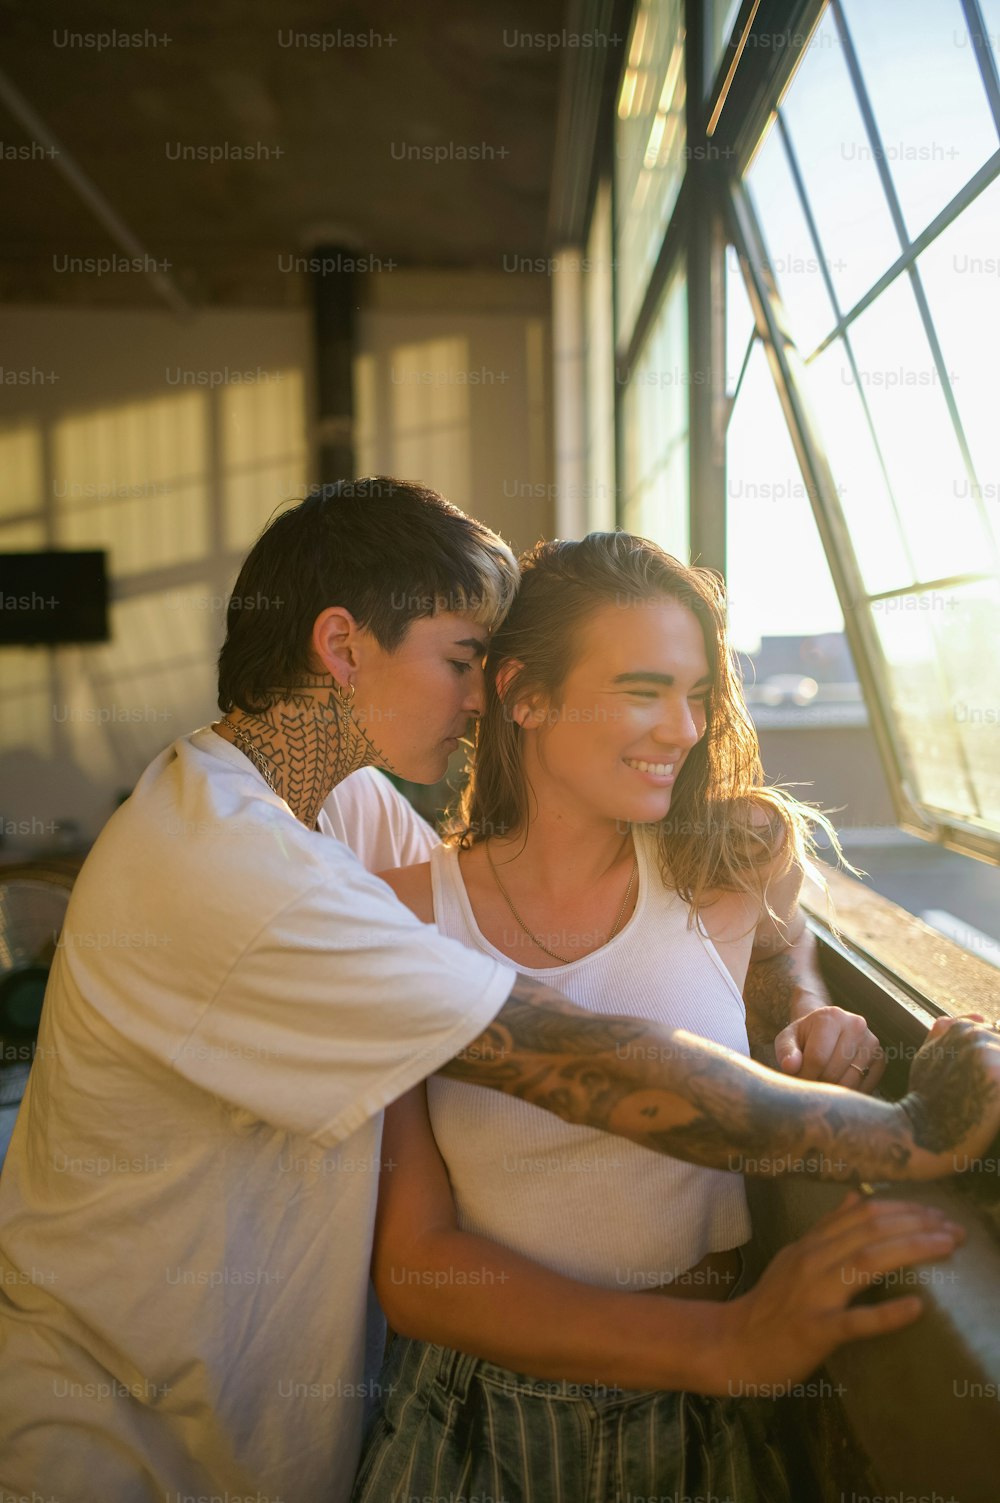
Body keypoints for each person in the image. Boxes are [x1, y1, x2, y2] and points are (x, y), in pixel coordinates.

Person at [0, 482, 995, 1503]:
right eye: (461, 662)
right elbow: (570, 1060)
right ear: (342, 648)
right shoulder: (233, 864)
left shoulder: (343, 812)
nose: (478, 699)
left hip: (239, 1404)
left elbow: (689, 933)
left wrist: (786, 997)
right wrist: (908, 1133)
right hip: (102, 1421)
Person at [352, 531, 995, 1503]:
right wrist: (723, 1345)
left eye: (696, 696)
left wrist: (813, 1020)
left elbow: (782, 966)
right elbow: (415, 1267)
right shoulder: (398, 912)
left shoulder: (731, 858)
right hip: (480, 1428)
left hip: (705, 1427)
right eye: (644, 690)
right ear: (523, 694)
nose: (684, 729)